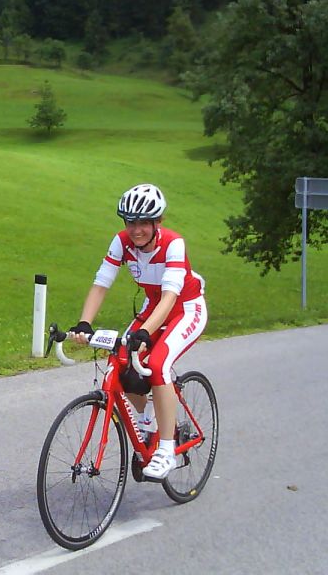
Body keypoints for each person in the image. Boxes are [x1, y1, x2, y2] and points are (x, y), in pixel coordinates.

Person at [69, 183, 207, 481]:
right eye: (131, 222)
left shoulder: (173, 244)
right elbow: (101, 282)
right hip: (152, 306)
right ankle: (147, 421)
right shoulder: (121, 242)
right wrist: (84, 323)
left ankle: (167, 449)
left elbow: (170, 296)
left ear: (158, 222)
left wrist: (144, 333)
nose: (136, 229)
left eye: (144, 222)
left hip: (185, 308)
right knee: (122, 362)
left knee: (157, 365)